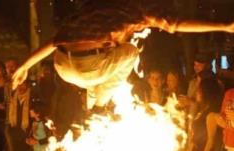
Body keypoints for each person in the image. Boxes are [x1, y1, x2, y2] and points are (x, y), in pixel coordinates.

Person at [12, 0, 234, 110]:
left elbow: (51, 43)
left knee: (106, 62)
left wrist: (24, 66)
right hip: (92, 66)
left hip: (62, 65)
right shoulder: (135, 9)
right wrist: (223, 26)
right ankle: (98, 106)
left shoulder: (86, 11)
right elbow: (177, 24)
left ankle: (92, 97)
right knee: (130, 52)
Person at [8, 81, 31, 151]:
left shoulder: (31, 98)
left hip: (26, 131)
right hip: (15, 130)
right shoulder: (14, 97)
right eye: (19, 85)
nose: (21, 87)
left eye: (24, 85)